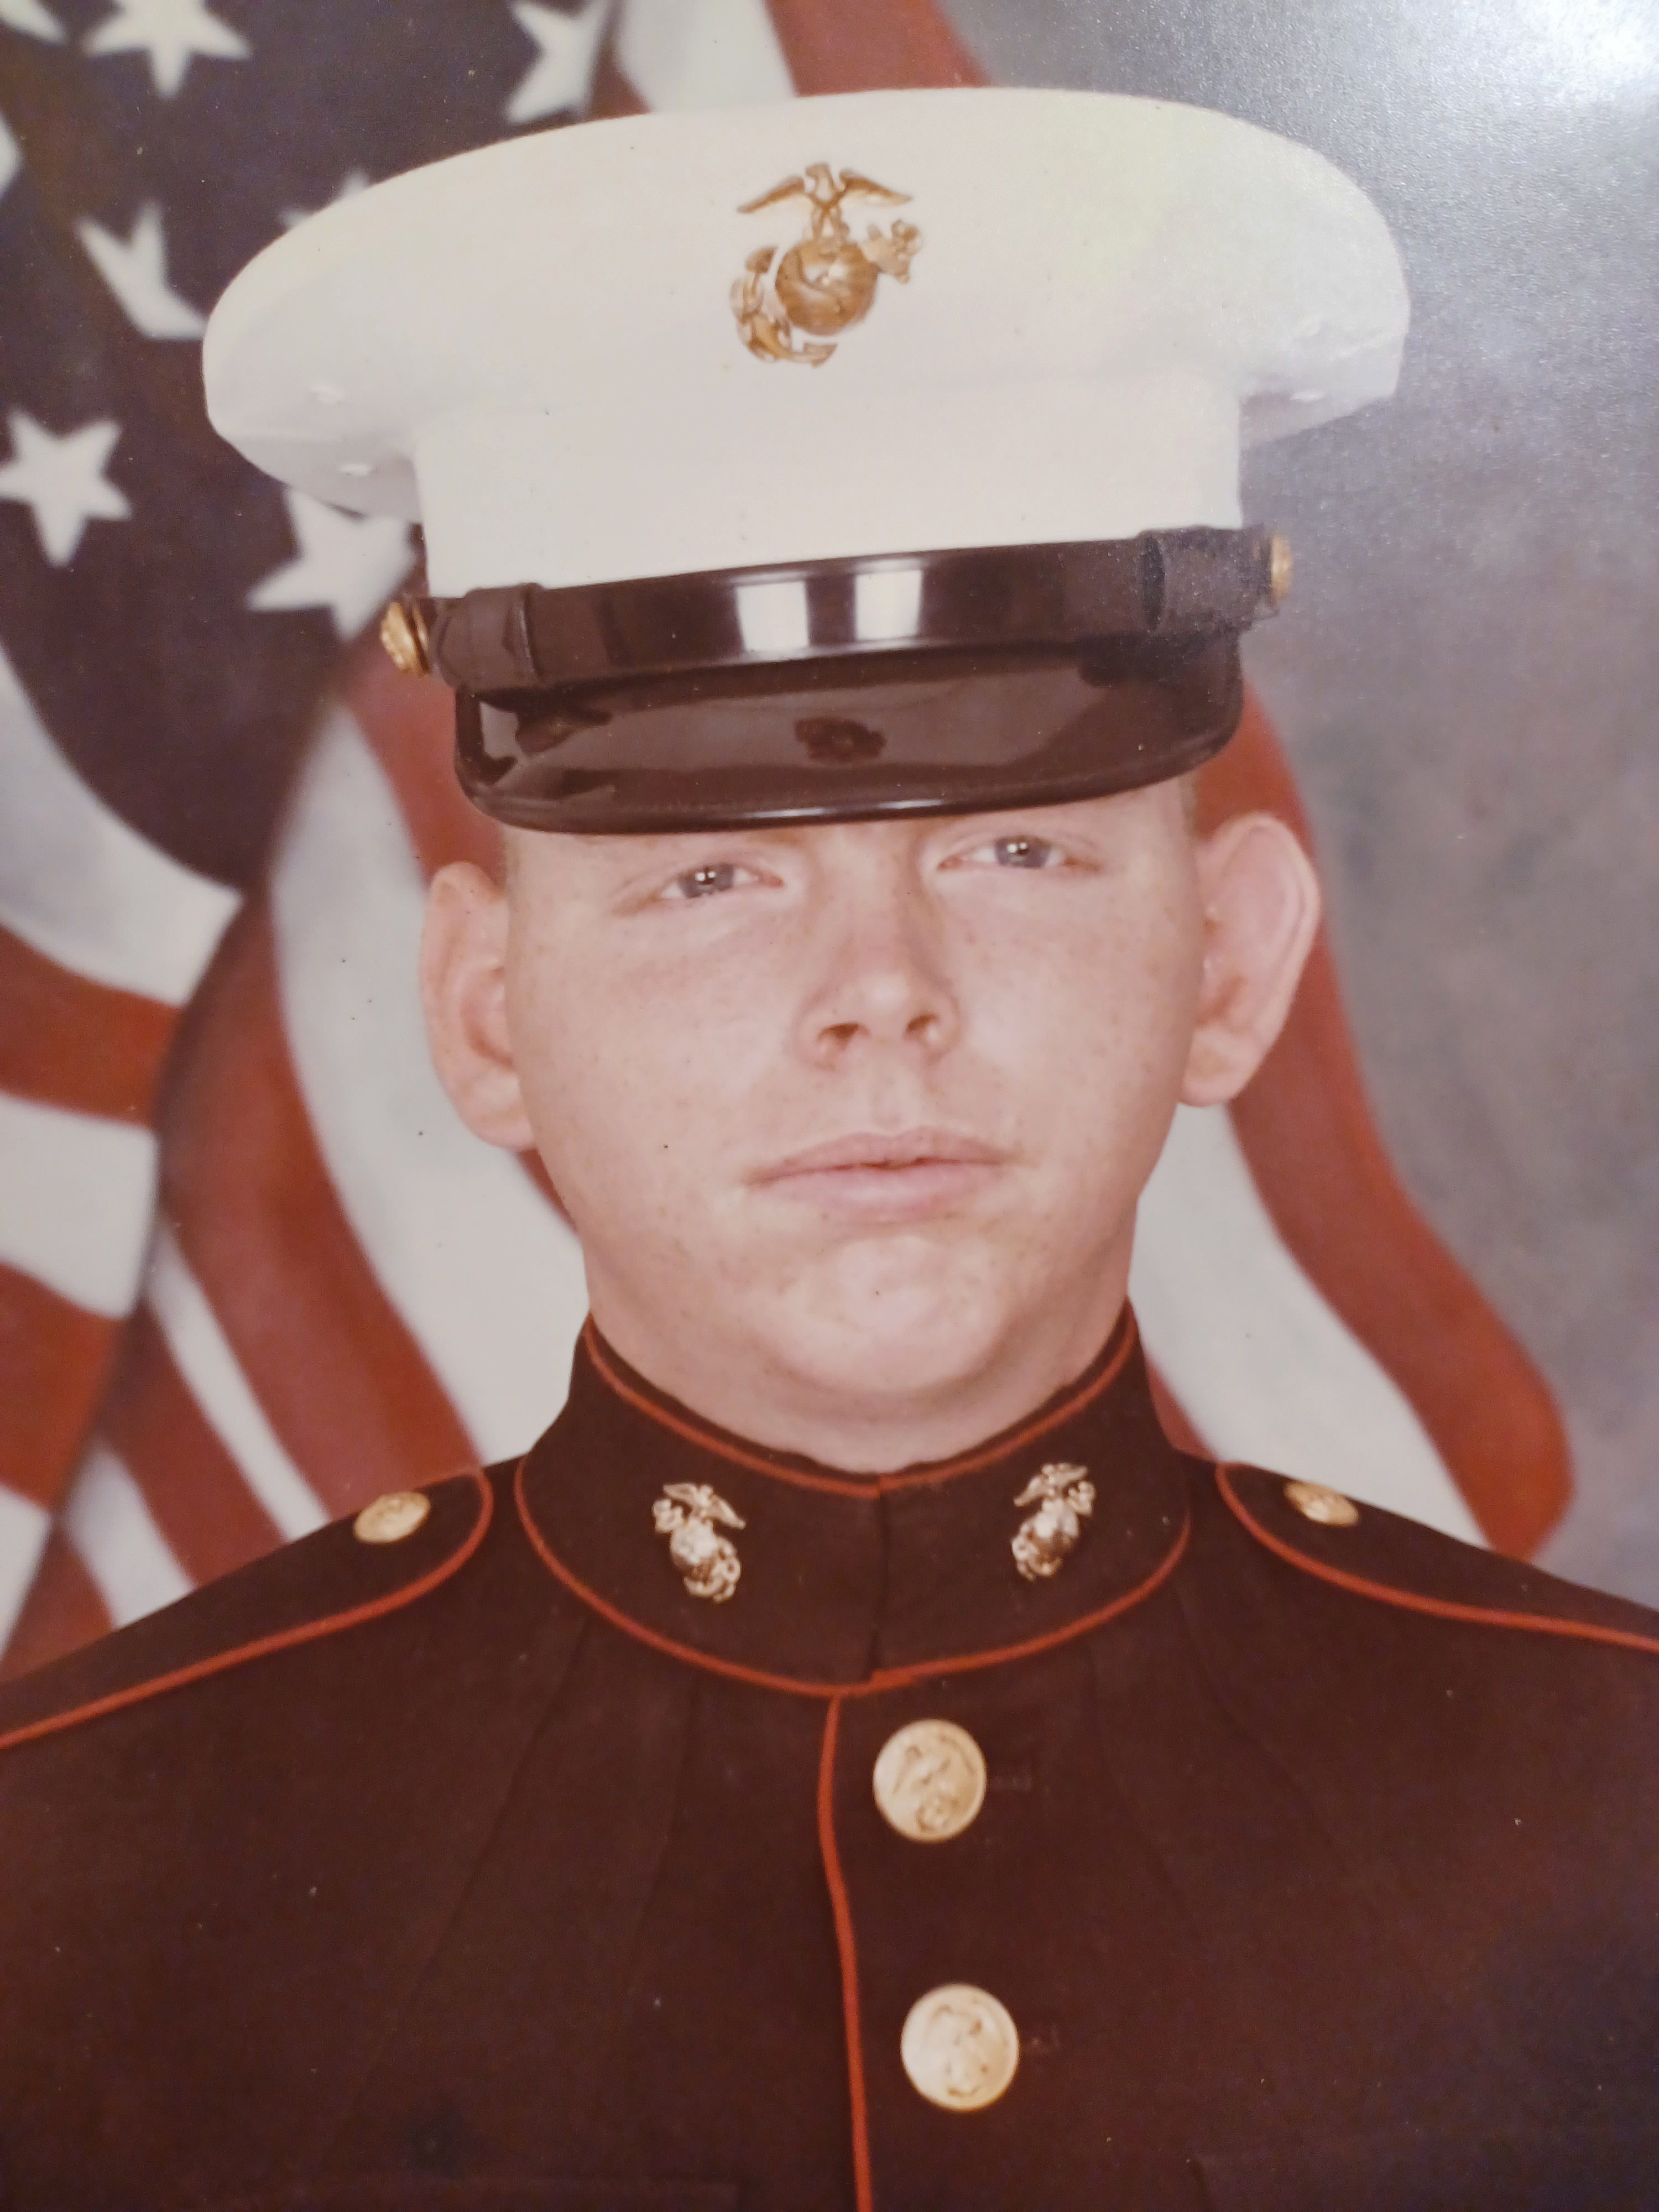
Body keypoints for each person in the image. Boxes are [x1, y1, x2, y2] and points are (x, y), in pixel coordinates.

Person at [1, 88, 1655, 2212]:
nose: (881, 990)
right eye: (709, 879)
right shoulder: (75, 1891)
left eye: (1018, 849)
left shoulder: (1609, 1829)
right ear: (487, 1016)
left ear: (1231, 966)